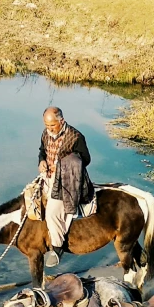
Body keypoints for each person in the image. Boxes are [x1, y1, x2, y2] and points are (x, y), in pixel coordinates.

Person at [38, 107, 94, 267]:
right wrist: (42, 161)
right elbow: (42, 151)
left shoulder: (76, 137)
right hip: (48, 177)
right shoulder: (45, 133)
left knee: (52, 213)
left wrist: (66, 163)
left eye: (52, 126)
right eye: (47, 125)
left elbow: (86, 159)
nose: (49, 129)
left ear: (61, 121)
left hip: (67, 181)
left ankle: (57, 248)